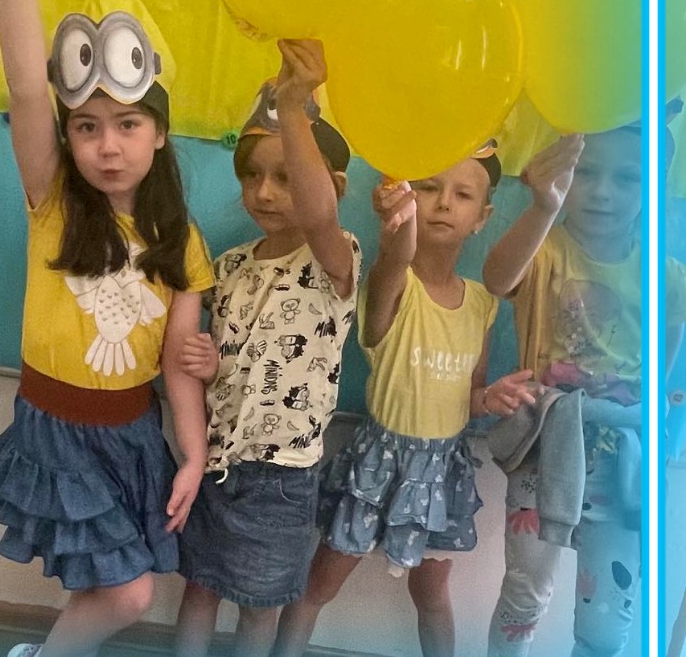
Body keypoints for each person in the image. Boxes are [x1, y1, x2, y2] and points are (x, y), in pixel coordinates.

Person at [0, 0, 213, 657]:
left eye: (127, 124)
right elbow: (26, 88)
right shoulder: (52, 199)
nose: (107, 146)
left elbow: (179, 365)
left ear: (160, 132)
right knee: (128, 592)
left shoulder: (183, 242)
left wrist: (193, 452)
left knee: (107, 586)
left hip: (132, 437)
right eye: (87, 126)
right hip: (58, 430)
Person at [274, 143, 536, 657]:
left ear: (482, 218)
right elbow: (398, 256)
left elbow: (470, 396)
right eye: (430, 187)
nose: (444, 203)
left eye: (462, 195)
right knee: (318, 585)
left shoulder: (482, 303)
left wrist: (490, 398)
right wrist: (399, 215)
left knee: (432, 595)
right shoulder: (392, 283)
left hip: (442, 471)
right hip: (378, 462)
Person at [173, 40, 362, 657]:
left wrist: (296, 107)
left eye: (285, 176)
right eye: (252, 175)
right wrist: (209, 365)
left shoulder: (335, 257)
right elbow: (229, 362)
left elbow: (319, 215)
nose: (264, 191)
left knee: (259, 608)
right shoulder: (229, 266)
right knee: (199, 588)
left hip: (281, 475)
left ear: (331, 186)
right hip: (217, 462)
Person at [484, 117, 686, 657]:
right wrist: (542, 207)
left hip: (625, 463)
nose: (602, 192)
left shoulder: (668, 276)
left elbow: (661, 367)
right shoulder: (545, 249)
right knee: (524, 597)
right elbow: (497, 279)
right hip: (547, 449)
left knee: (607, 622)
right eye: (585, 172)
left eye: (628, 178)